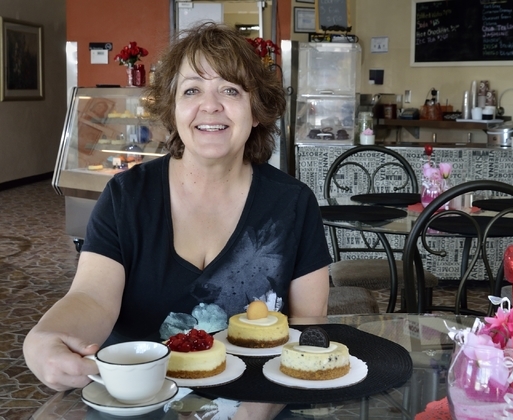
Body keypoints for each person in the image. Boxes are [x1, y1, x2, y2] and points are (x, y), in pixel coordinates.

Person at [23, 22, 332, 419]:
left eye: (230, 90)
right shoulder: (126, 198)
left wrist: (253, 414)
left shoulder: (293, 204)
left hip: (259, 402)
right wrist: (43, 339)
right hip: (137, 404)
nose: (211, 105)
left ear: (256, 111)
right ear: (172, 110)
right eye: (192, 90)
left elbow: (308, 326)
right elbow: (91, 297)